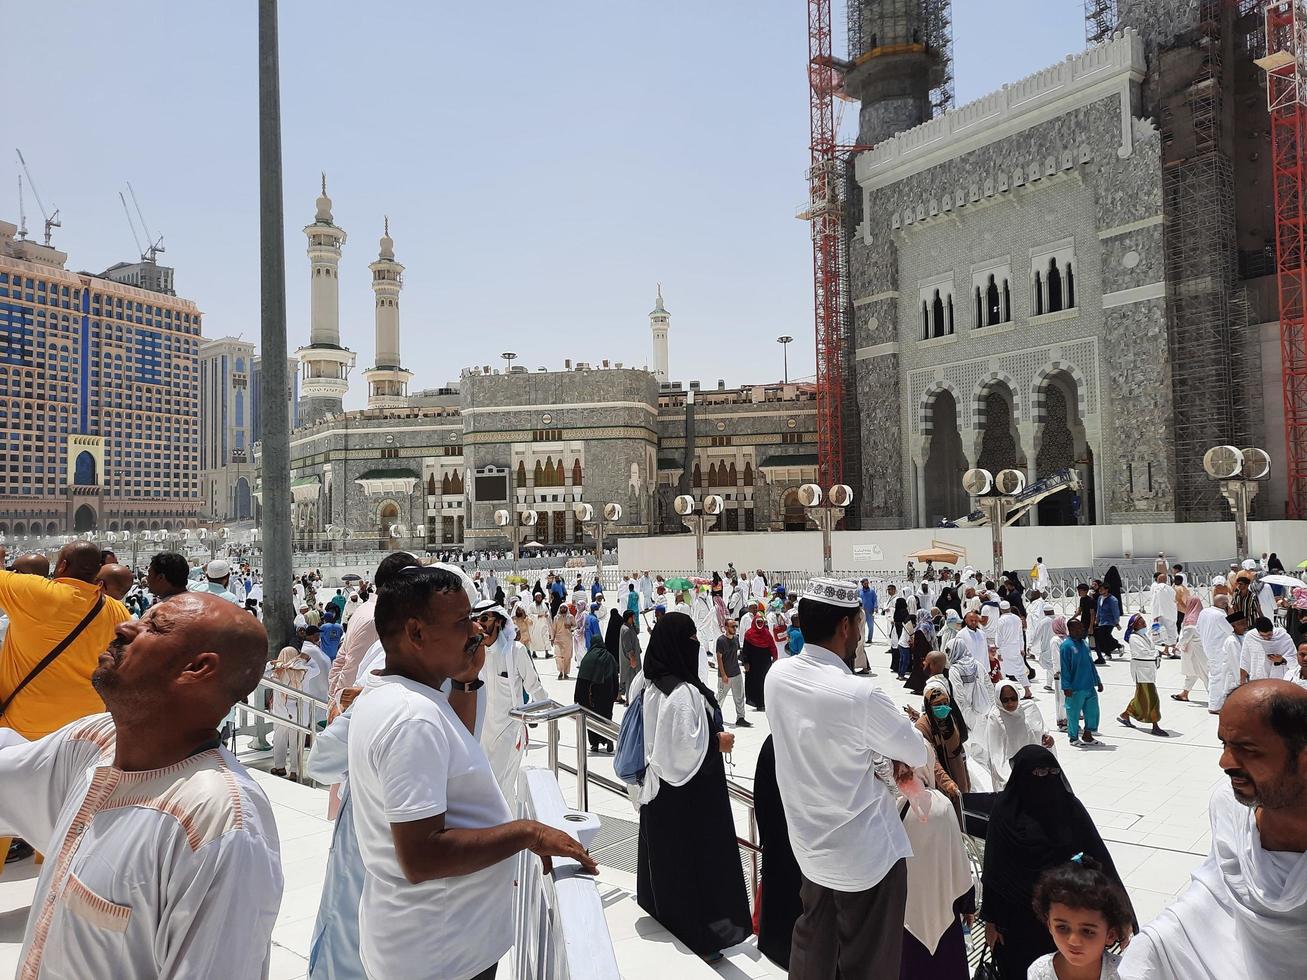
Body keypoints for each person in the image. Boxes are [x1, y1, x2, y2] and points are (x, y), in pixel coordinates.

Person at [0, 593, 284, 977]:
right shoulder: (95, 744)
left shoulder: (217, 822)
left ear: (198, 667)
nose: (125, 627)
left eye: (154, 627)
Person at [346, 565, 595, 980]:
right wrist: (528, 833)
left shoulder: (401, 695)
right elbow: (422, 855)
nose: (475, 632)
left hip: (437, 941)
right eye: (462, 621)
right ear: (416, 632)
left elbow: (449, 751)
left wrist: (465, 682)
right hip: (439, 952)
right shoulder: (412, 718)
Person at [766, 577, 928, 980]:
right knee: (869, 963)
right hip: (866, 861)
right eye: (859, 621)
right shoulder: (860, 695)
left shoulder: (777, 677)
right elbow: (917, 752)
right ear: (845, 627)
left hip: (810, 850)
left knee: (813, 953)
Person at [1120, 681, 1307, 979]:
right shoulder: (1229, 807)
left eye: (1247, 749)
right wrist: (1149, 947)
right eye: (1224, 744)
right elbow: (1213, 894)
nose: (1225, 762)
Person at [630, 612, 751, 962]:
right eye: (691, 637)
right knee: (694, 867)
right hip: (687, 797)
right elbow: (682, 752)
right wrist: (718, 742)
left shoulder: (646, 681)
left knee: (667, 865)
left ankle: (670, 920)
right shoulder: (681, 692)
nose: (696, 642)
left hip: (657, 794)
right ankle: (698, 936)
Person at [981, 745, 1132, 979]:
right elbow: (993, 869)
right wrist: (991, 920)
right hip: (1016, 924)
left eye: (1052, 773)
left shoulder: (1070, 808)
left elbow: (1100, 859)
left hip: (1067, 917)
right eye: (1039, 773)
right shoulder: (1004, 811)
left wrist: (1123, 917)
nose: (1047, 779)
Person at [0, 541, 132, 741]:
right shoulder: (117, 610)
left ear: (62, 566)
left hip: (23, 723)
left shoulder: (35, 591)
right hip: (82, 727)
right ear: (97, 571)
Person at [896, 731, 975, 979]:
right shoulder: (940, 805)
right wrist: (967, 904)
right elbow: (959, 862)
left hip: (900, 917)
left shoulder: (886, 805)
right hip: (945, 911)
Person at [474, 598, 549, 807]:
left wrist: (543, 716)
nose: (480, 625)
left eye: (485, 619)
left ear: (498, 621)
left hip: (510, 732)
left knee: (500, 788)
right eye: (476, 620)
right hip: (482, 734)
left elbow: (534, 686)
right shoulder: (473, 655)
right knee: (492, 790)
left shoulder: (516, 651)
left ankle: (505, 835)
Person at [328, 552, 421, 707]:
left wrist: (333, 697)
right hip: (356, 707)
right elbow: (352, 668)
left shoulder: (365, 609)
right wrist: (338, 707)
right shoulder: (376, 619)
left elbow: (340, 661)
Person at [1028, 857, 1133, 980]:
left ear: (1110, 935)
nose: (1073, 941)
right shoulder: (1039, 973)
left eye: (1087, 931)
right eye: (1062, 927)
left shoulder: (1125, 973)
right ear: (1049, 925)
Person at [754, 734, 802, 970]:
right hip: (800, 843)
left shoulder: (774, 741)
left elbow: (760, 798)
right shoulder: (805, 742)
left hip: (777, 840)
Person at [979, 679, 1054, 791]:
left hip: (1036, 768)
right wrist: (1008, 779)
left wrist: (1047, 738)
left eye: (1013, 698)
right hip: (1013, 774)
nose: (1010, 703)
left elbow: (1041, 730)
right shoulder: (995, 717)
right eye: (1005, 700)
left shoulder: (1029, 707)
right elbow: (996, 754)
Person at [913, 677, 969, 816]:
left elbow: (959, 750)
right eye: (937, 704)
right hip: (939, 778)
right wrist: (947, 783)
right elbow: (931, 761)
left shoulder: (950, 720)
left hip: (957, 771)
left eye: (945, 703)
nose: (943, 707)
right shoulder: (922, 727)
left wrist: (965, 778)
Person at [267, 644, 320, 781]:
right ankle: (294, 771)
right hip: (299, 712)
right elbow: (317, 669)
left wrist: (272, 664)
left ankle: (279, 767)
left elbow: (261, 671)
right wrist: (306, 658)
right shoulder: (304, 671)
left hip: (281, 712)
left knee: (279, 739)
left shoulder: (276, 672)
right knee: (297, 742)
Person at [1118, 613, 1167, 737]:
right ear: (1135, 626)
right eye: (1141, 623)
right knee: (1152, 698)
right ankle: (1155, 725)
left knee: (1141, 697)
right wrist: (1156, 653)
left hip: (1147, 671)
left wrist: (1157, 651)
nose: (1144, 624)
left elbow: (1150, 649)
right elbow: (1142, 653)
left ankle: (1126, 714)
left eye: (1144, 622)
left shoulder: (1143, 636)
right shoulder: (1134, 638)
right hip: (1142, 672)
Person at [946, 613, 994, 733]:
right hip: (974, 672)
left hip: (978, 671)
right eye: (971, 620)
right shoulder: (961, 634)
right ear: (966, 621)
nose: (973, 622)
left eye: (975, 620)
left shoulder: (982, 634)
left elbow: (959, 692)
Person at [1061, 618, 1104, 747]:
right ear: (1071, 630)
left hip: (1089, 685)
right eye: (1078, 628)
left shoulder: (1084, 644)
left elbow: (1091, 663)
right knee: (1073, 713)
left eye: (1082, 627)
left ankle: (1088, 734)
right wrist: (1066, 686)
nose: (1082, 630)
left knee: (1093, 711)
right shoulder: (1066, 646)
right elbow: (1065, 668)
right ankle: (1073, 737)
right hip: (1075, 688)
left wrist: (1098, 681)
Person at [575, 631, 617, 753]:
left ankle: (594, 744)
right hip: (606, 695)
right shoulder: (609, 657)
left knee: (591, 718)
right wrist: (615, 693)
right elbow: (615, 677)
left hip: (590, 697)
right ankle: (608, 738)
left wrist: (578, 696)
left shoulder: (587, 659)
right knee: (606, 717)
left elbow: (581, 680)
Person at [1173, 594, 1208, 703]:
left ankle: (1215, 698)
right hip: (1199, 649)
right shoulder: (1202, 616)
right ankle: (1185, 693)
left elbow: (1187, 636)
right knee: (1192, 673)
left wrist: (1177, 647)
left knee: (1204, 674)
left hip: (1195, 652)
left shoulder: (1191, 620)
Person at [715, 616, 749, 726]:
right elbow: (719, 659)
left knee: (739, 696)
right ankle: (714, 717)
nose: (735, 628)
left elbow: (737, 654)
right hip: (725, 675)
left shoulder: (735, 639)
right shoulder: (721, 640)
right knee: (720, 698)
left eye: (736, 626)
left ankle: (740, 717)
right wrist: (723, 675)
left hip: (736, 673)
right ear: (726, 627)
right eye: (732, 626)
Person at [1240, 615, 1295, 683]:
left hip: (1280, 677)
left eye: (1269, 635)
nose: (1266, 638)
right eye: (1263, 636)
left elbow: (1294, 658)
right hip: (1259, 677)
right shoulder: (1251, 637)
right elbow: (1245, 661)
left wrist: (1282, 659)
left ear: (1272, 629)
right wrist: (1242, 682)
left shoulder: (1283, 637)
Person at [741, 606, 776, 710]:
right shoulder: (749, 634)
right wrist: (745, 662)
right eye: (758, 622)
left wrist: (775, 658)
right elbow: (745, 650)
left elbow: (772, 646)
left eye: (761, 622)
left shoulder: (767, 634)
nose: (760, 624)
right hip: (753, 664)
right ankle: (756, 702)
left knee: (765, 682)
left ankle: (764, 703)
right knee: (754, 683)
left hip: (765, 663)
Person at [995, 600, 1031, 699]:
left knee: (1002, 670)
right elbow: (1020, 634)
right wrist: (1021, 648)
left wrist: (998, 651)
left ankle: (1004, 692)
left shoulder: (1001, 620)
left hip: (1005, 648)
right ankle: (1027, 690)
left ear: (1001, 610)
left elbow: (999, 636)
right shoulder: (1016, 618)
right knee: (1019, 670)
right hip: (1015, 647)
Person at [1094, 583, 1122, 661]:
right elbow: (1099, 610)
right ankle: (1118, 646)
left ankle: (1108, 653)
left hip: (1110, 621)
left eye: (1102, 589)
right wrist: (1097, 619)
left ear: (1106, 590)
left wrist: (1116, 622)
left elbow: (1116, 612)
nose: (1100, 590)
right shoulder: (1100, 598)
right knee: (1105, 637)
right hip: (1102, 621)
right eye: (1099, 589)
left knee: (1105, 636)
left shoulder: (1113, 600)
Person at [618, 608, 641, 701]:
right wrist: (633, 659)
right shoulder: (626, 630)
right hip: (629, 661)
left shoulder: (628, 627)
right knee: (630, 680)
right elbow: (628, 647)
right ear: (630, 618)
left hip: (632, 659)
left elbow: (637, 631)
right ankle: (629, 700)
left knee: (631, 680)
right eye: (633, 617)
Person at [551, 602, 575, 680]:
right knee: (558, 656)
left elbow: (575, 626)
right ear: (560, 609)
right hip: (558, 640)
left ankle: (566, 672)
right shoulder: (556, 617)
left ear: (566, 609)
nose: (563, 609)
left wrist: (570, 627)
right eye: (561, 608)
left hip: (568, 640)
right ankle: (560, 672)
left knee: (567, 657)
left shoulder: (570, 617)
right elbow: (553, 629)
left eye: (564, 608)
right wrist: (552, 638)